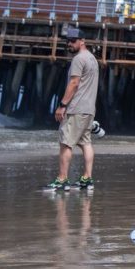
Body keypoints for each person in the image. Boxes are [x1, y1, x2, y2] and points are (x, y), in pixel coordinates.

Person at [47, 27, 99, 190]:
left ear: (82, 41)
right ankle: (87, 178)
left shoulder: (78, 59)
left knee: (65, 143)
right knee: (85, 142)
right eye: (67, 41)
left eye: (73, 41)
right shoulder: (92, 59)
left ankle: (62, 180)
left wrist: (62, 105)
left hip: (76, 108)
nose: (69, 43)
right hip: (89, 109)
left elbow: (74, 83)